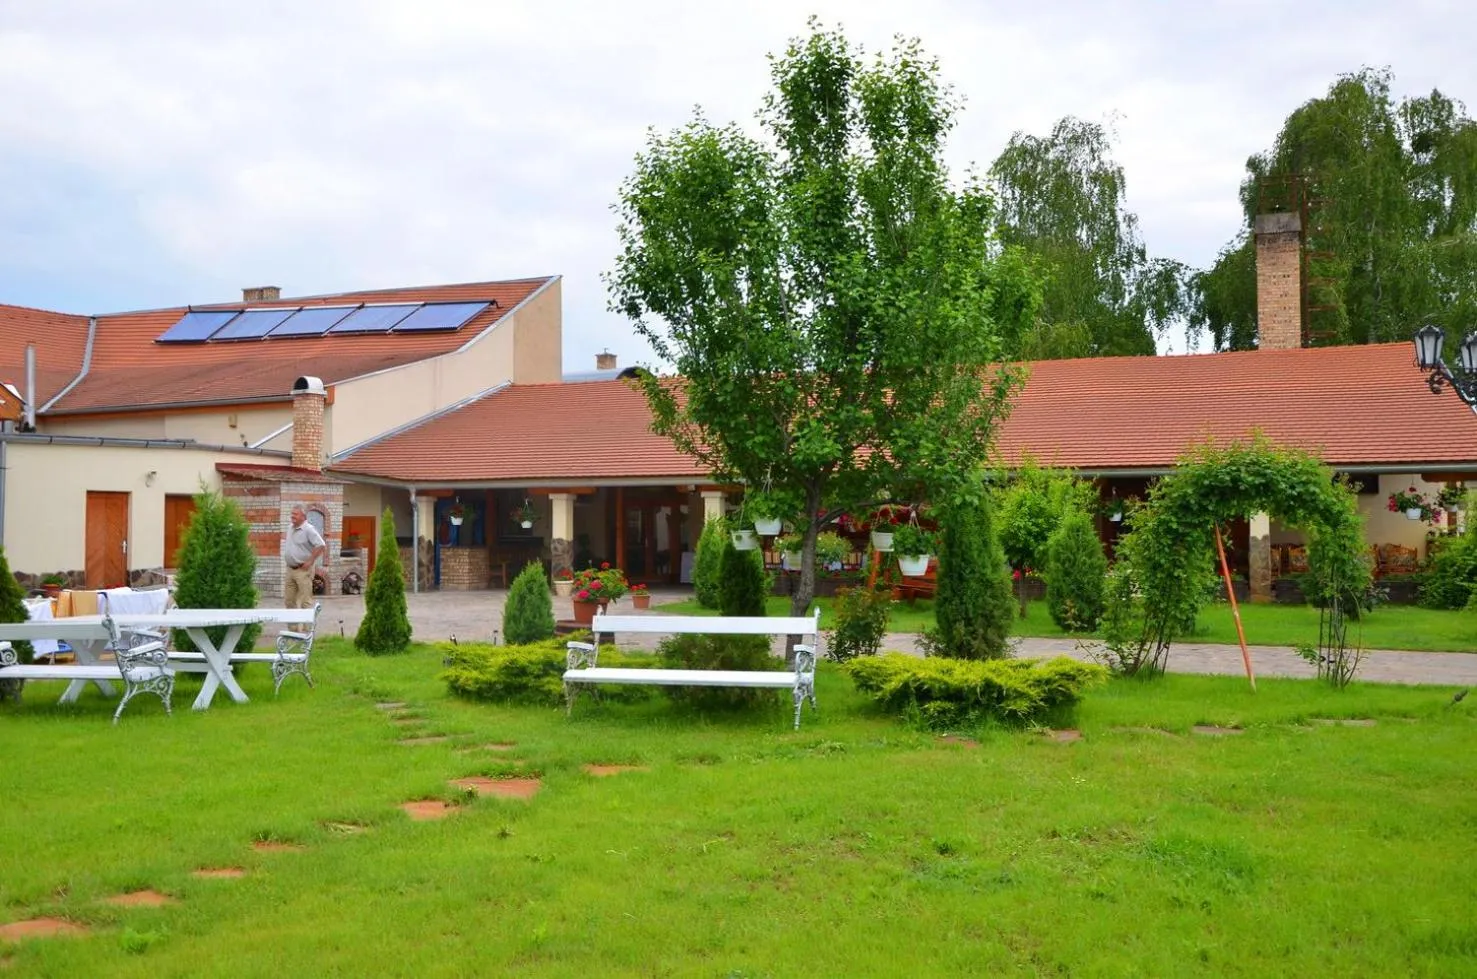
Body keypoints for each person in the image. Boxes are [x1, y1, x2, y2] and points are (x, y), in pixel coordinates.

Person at [282, 505, 328, 609]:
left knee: (305, 602)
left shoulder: (308, 529)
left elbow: (321, 545)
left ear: (303, 516)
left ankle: (307, 626)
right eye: (292, 514)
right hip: (290, 570)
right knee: (289, 602)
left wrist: (310, 561)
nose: (292, 516)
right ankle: (294, 626)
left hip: (303, 570)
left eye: (295, 514)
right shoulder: (290, 527)